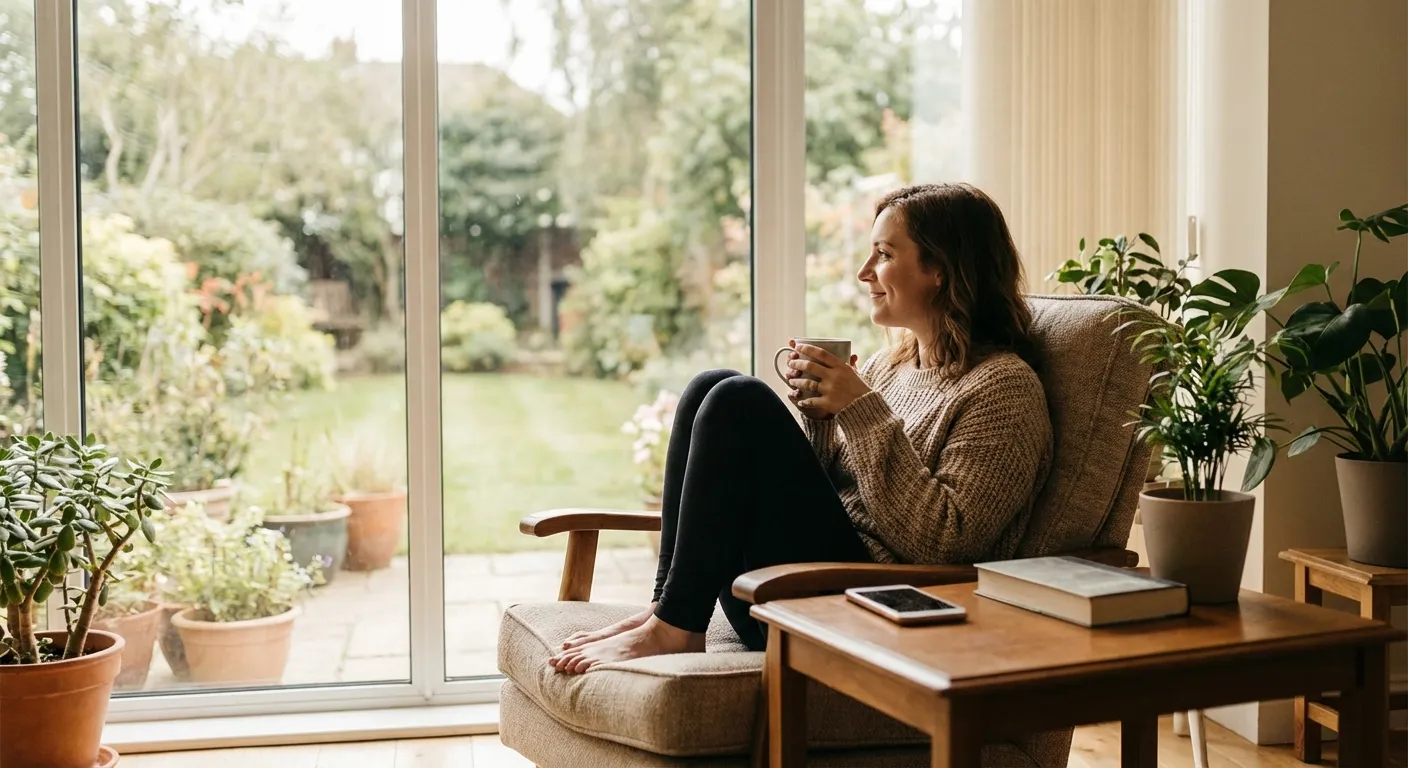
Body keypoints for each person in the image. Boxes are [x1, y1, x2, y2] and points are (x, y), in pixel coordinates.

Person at [548, 182, 1053, 674]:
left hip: (868, 609)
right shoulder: (887, 367)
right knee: (712, 385)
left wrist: (860, 411)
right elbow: (835, 495)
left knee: (738, 399)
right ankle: (670, 610)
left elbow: (948, 544)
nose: (864, 272)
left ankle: (676, 626)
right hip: (798, 588)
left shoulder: (1003, 389)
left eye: (883, 254)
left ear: (940, 269)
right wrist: (823, 424)